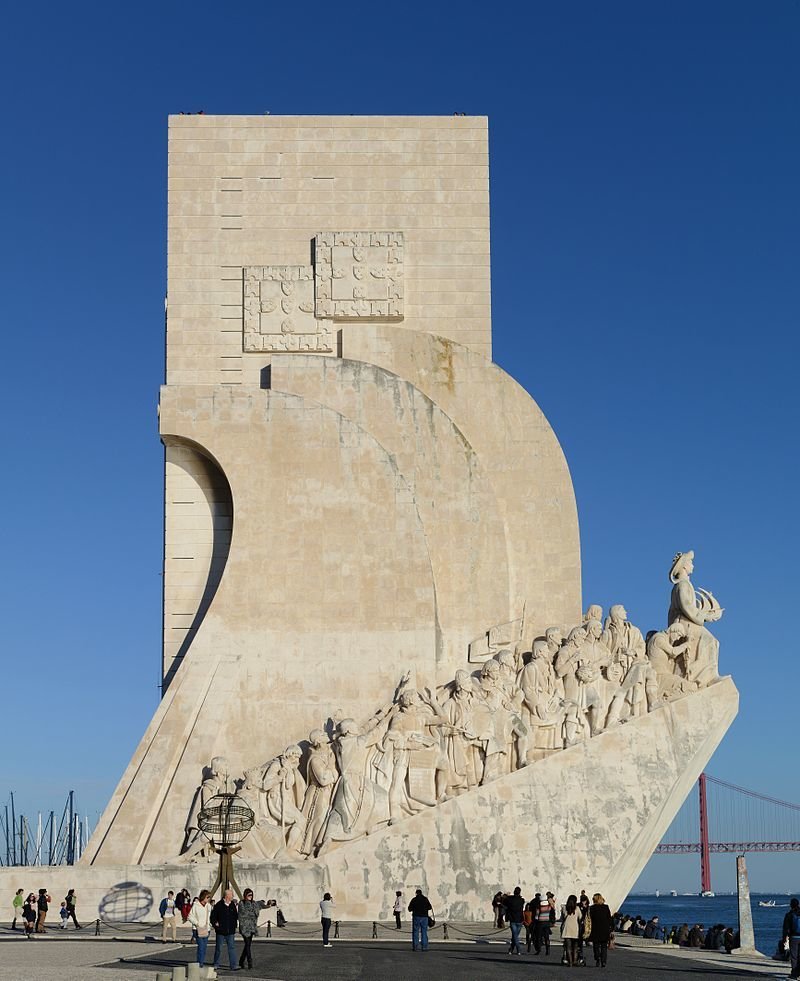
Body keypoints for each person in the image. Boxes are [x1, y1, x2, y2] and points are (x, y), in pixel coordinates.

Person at [238, 888, 269, 969]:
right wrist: (252, 913)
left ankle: (241, 961)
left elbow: (261, 906)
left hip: (252, 927)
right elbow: (243, 914)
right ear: (245, 895)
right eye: (249, 895)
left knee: (247, 945)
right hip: (244, 927)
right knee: (247, 945)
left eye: (251, 895)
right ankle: (249, 962)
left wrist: (269, 904)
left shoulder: (254, 903)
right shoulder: (242, 903)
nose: (250, 896)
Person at [211, 888, 239, 972]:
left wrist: (234, 926)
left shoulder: (232, 905)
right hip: (221, 931)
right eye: (231, 894)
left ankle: (233, 965)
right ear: (227, 896)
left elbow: (235, 916)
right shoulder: (218, 905)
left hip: (230, 931)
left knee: (231, 948)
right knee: (219, 948)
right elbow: (213, 917)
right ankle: (216, 963)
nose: (232, 896)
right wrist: (215, 924)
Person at [187, 889, 212, 967]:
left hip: (206, 929)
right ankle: (200, 963)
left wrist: (210, 925)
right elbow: (190, 916)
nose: (208, 899)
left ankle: (201, 962)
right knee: (201, 947)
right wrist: (197, 923)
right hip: (197, 929)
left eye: (209, 897)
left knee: (204, 948)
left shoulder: (208, 906)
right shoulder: (196, 906)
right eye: (207, 897)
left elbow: (210, 916)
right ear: (203, 897)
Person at [590, 893, 614, 968]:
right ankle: (603, 961)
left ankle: (597, 958)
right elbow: (609, 918)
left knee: (596, 946)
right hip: (605, 929)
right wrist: (611, 928)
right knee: (604, 946)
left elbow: (590, 919)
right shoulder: (606, 907)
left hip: (595, 929)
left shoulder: (592, 908)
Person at [782, 897, 800, 979]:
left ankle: (794, 974)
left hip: (794, 938)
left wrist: (784, 939)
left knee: (794, 957)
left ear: (791, 905)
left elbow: (785, 928)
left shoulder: (789, 915)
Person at [561, 895, 581, 966]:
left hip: (566, 929)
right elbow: (580, 917)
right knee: (575, 947)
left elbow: (562, 918)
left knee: (568, 947)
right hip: (575, 929)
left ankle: (570, 962)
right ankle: (575, 960)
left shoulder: (564, 908)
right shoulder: (577, 908)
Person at [503, 886, 525, 954]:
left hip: (513, 920)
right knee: (515, 936)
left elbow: (504, 902)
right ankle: (511, 949)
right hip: (520, 920)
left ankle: (518, 949)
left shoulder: (510, 900)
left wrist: (508, 896)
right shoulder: (522, 900)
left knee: (515, 936)